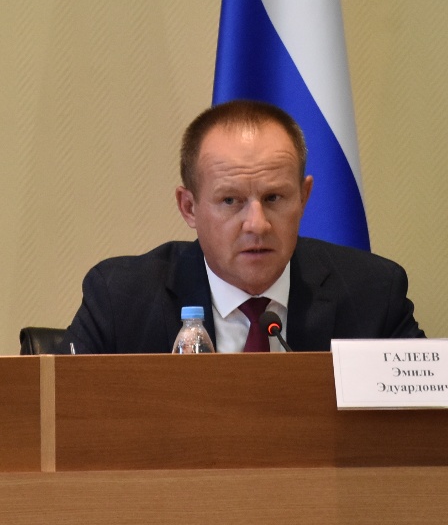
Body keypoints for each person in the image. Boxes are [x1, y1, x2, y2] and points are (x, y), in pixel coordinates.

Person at [64, 100, 423, 354]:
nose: (257, 224)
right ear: (189, 207)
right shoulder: (121, 299)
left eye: (274, 198)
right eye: (230, 201)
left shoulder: (373, 295)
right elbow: (60, 416)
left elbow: (426, 424)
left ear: (303, 197)